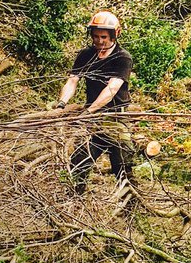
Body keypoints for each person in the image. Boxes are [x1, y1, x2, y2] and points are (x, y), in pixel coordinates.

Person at [50, 11, 135, 195]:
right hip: (94, 120)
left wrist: (90, 111)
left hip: (115, 119)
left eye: (104, 37)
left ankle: (131, 210)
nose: (99, 41)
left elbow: (112, 89)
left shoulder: (122, 57)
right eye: (96, 36)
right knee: (79, 161)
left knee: (122, 167)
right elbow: (73, 80)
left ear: (115, 35)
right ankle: (75, 199)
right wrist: (61, 104)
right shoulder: (86, 55)